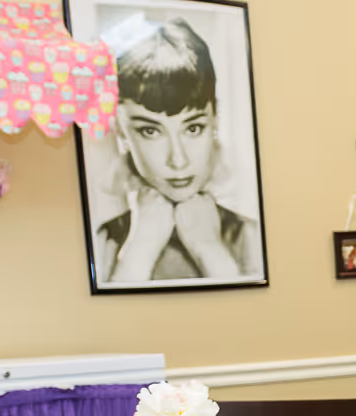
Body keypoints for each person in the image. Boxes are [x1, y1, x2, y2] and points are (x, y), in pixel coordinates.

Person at [98, 16, 259, 284]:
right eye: (151, 131)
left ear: (215, 118)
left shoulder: (249, 236)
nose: (178, 160)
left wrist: (210, 250)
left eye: (193, 128)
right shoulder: (103, 243)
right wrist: (139, 252)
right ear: (121, 130)